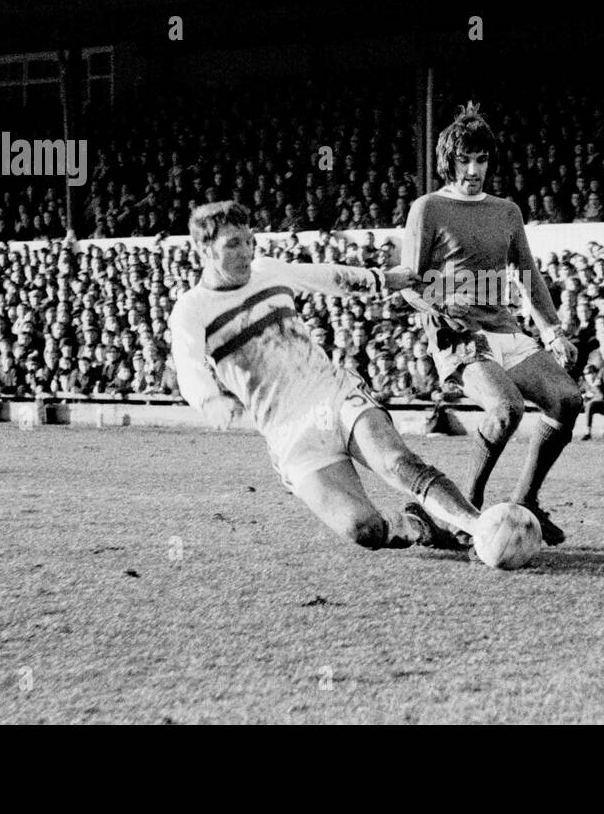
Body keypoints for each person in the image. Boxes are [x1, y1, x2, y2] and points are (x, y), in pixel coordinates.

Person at [170, 201, 480, 553]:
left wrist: (384, 280)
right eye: (232, 244)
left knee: (397, 462)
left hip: (331, 392)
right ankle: (414, 526)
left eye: (248, 241)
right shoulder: (192, 308)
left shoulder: (268, 271)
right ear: (203, 249)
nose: (245, 252)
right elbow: (188, 366)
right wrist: (209, 399)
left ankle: (478, 528)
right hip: (289, 433)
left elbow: (327, 277)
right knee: (363, 530)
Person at [401, 103, 582, 545]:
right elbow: (407, 284)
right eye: (465, 160)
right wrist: (441, 301)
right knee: (506, 411)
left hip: (503, 328)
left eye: (481, 160)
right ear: (450, 161)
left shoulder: (506, 211)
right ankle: (464, 511)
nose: (473, 170)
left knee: (567, 400)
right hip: (457, 335)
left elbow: (527, 274)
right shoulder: (428, 208)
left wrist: (553, 330)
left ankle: (525, 503)